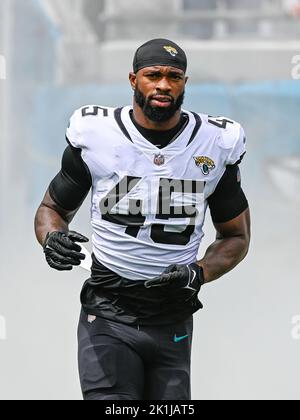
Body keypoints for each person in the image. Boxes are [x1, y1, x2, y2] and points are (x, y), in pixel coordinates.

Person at [34, 38, 251, 401]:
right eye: (153, 75)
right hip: (107, 309)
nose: (164, 85)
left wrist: (199, 272)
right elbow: (51, 209)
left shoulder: (215, 143)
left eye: (174, 76)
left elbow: (236, 236)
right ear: (134, 80)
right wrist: (52, 237)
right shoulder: (97, 135)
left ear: (185, 82)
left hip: (172, 314)